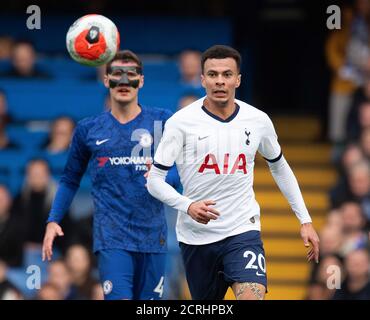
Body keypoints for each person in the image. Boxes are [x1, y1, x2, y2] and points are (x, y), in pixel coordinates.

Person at [147, 45, 320, 300]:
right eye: (213, 74)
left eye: (227, 74)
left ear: (238, 79)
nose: (220, 81)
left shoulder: (257, 120)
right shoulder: (180, 123)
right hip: (196, 237)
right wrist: (188, 205)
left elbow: (279, 165)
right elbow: (154, 180)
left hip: (243, 229)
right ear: (202, 79)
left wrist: (305, 219)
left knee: (252, 295)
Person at [42, 50, 180, 300]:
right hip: (112, 239)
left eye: (132, 75)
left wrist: (162, 178)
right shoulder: (88, 129)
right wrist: (54, 220)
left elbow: (181, 174)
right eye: (117, 74)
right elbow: (70, 178)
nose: (124, 82)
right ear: (106, 80)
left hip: (154, 238)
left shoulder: (162, 121)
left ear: (142, 80)